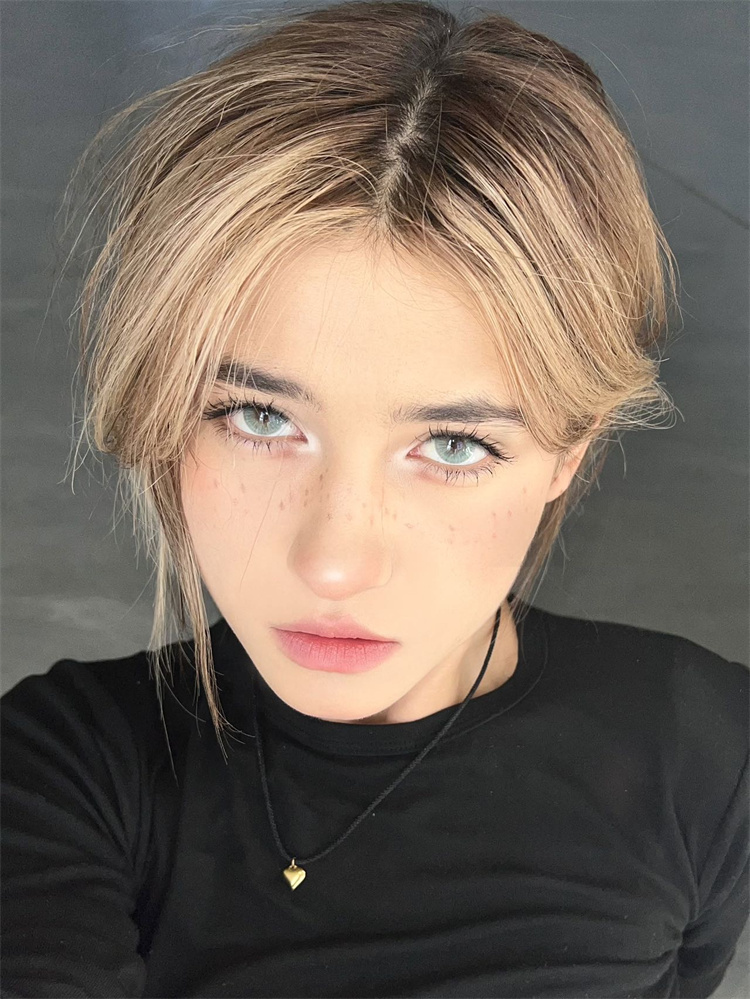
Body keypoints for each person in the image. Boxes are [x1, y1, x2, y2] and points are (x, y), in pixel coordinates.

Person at [2, 2, 747, 997]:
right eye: (260, 417)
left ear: (570, 453)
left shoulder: (706, 751)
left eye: (453, 444)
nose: (334, 564)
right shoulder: (59, 775)